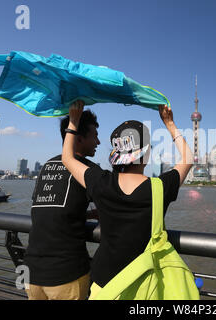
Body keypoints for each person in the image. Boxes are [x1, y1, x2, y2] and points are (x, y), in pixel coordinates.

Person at [62, 101, 193, 296]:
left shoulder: (101, 181)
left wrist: (73, 122)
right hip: (145, 285)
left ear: (117, 153)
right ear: (146, 153)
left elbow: (68, 159)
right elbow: (188, 159)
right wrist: (169, 124)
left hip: (104, 284)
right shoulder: (159, 188)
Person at [23, 109, 100, 300]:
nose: (98, 142)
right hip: (66, 275)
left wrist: (88, 215)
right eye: (95, 136)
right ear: (79, 138)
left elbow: (54, 209)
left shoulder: (47, 166)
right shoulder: (88, 170)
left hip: (30, 273)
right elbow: (116, 207)